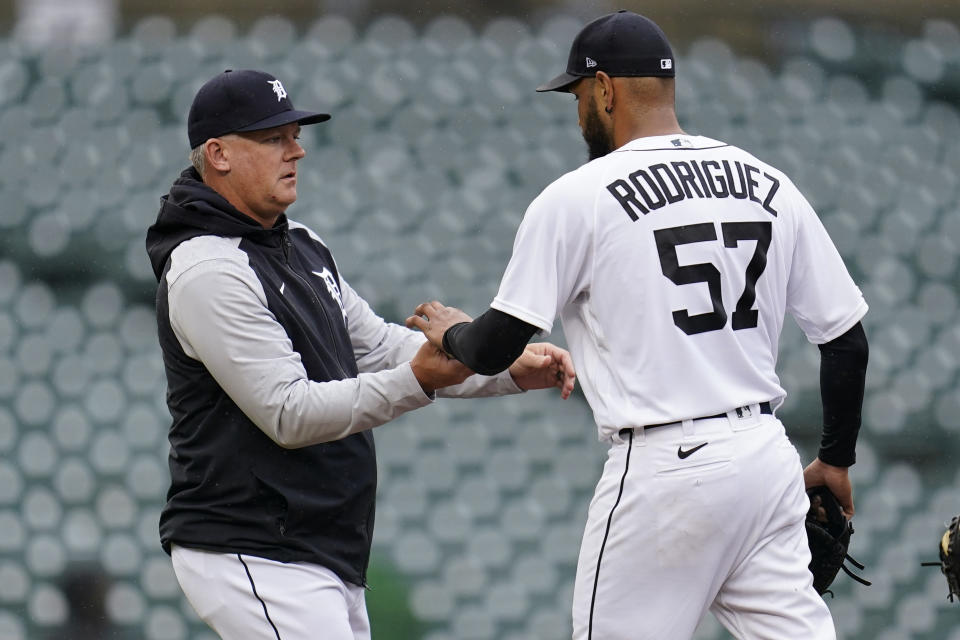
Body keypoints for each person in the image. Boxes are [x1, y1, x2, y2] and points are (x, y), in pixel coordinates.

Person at [406, 11, 868, 640]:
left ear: (605, 90)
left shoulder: (578, 196)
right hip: (764, 458)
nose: (576, 114)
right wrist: (835, 461)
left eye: (576, 96)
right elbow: (845, 338)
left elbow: (492, 349)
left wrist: (452, 331)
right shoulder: (768, 182)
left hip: (665, 470)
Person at [144, 69, 575, 640]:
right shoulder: (209, 268)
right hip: (252, 544)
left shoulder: (300, 243)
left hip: (313, 544)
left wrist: (500, 366)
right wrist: (417, 382)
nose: (296, 149)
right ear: (218, 154)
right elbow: (289, 414)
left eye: (294, 134)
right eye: (274, 138)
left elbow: (379, 346)